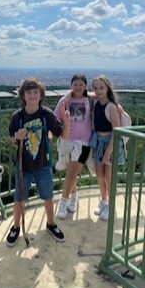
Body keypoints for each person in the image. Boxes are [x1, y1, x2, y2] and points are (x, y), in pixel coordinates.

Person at [5, 77, 69, 247]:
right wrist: (16, 136)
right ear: (23, 95)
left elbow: (62, 134)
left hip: (42, 164)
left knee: (48, 196)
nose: (32, 96)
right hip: (23, 166)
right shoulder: (17, 117)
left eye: (35, 92)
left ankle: (51, 223)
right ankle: (16, 227)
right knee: (19, 199)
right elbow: (10, 137)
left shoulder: (46, 114)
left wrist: (67, 122)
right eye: (29, 92)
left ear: (41, 95)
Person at [53, 73, 95, 220]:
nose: (78, 87)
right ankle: (74, 196)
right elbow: (56, 118)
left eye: (81, 84)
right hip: (67, 140)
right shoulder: (65, 100)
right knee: (71, 173)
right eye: (75, 84)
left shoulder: (90, 100)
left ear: (85, 86)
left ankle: (63, 202)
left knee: (71, 173)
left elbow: (104, 98)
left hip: (84, 142)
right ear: (71, 85)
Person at [91, 74, 124, 221]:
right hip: (98, 141)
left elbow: (117, 131)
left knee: (109, 177)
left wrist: (108, 152)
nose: (98, 91)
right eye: (96, 88)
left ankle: (111, 205)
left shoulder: (111, 107)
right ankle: (103, 200)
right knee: (100, 175)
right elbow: (87, 94)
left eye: (101, 88)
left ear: (108, 88)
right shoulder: (97, 103)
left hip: (110, 143)